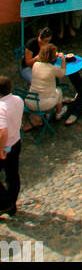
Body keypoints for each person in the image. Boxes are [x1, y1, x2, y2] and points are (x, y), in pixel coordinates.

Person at [25, 43, 68, 125]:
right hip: (42, 104)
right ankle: (59, 113)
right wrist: (63, 59)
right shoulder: (52, 69)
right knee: (58, 90)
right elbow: (62, 73)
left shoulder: (35, 65)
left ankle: (48, 114)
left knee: (45, 92)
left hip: (29, 101)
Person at [0, 75, 25, 217]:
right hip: (16, 142)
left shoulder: (0, 107)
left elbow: (2, 132)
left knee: (10, 175)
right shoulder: (18, 99)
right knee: (12, 175)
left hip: (5, 146)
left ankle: (6, 203)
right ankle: (11, 204)